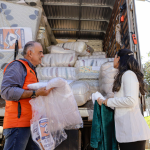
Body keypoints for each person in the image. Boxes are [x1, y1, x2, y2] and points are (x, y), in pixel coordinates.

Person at [1, 41, 53, 150]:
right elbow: (6, 91)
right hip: (18, 125)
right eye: (40, 52)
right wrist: (36, 93)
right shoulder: (17, 66)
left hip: (30, 124)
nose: (42, 55)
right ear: (30, 53)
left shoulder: (31, 70)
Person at [97, 49, 150, 150]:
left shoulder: (128, 75)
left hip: (133, 134)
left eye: (114, 57)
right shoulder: (124, 76)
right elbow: (122, 102)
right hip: (128, 134)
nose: (113, 60)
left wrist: (108, 102)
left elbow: (131, 100)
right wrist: (105, 102)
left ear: (119, 58)